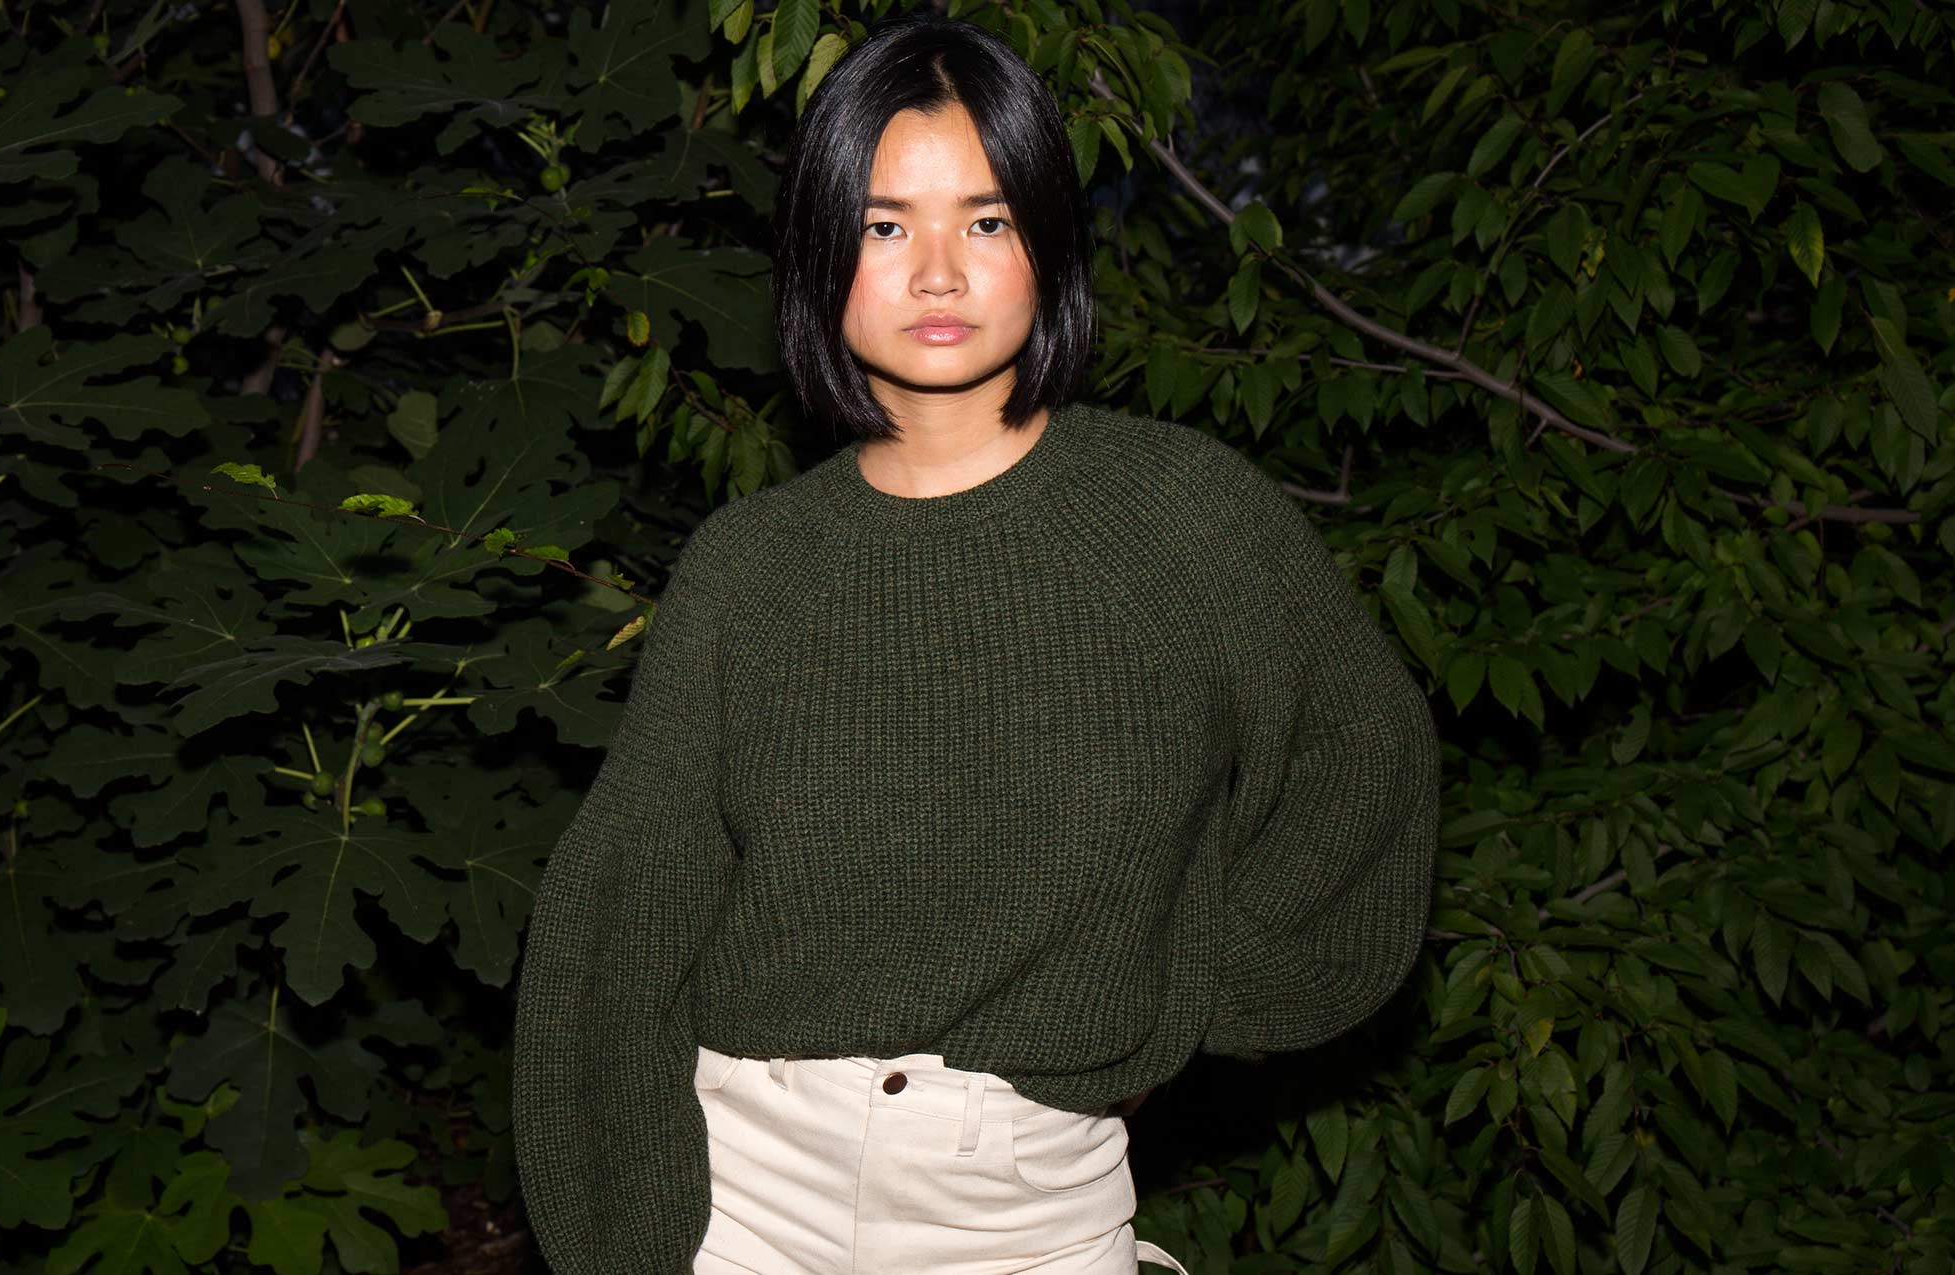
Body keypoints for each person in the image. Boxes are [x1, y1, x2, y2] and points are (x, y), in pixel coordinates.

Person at [511, 12, 1440, 1275]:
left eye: (986, 221)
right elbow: (622, 910)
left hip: (1023, 1205)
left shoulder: (1180, 514)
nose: (937, 274)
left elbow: (1361, 759)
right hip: (740, 1195)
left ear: (1047, 243)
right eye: (885, 226)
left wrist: (1183, 994)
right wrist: (620, 1235)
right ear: (817, 255)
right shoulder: (750, 563)